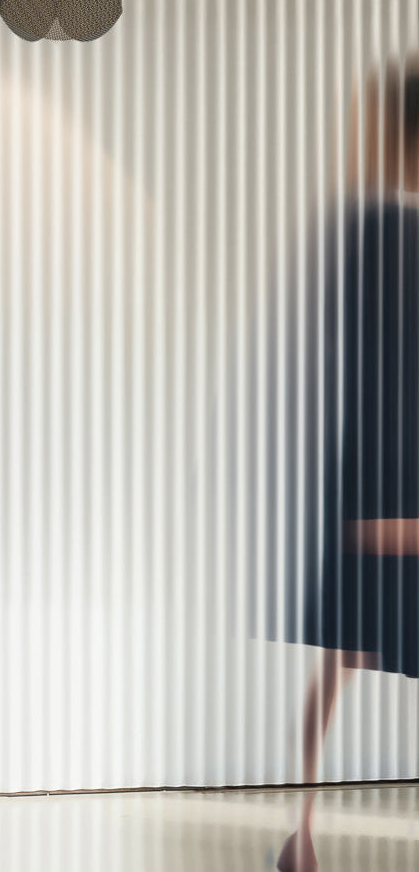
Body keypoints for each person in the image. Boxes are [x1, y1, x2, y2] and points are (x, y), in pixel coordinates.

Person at [278, 64, 419, 872]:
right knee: (345, 652)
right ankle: (300, 829)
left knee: (341, 656)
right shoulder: (377, 228)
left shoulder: (365, 226)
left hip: (371, 470)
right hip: (384, 472)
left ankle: (301, 829)